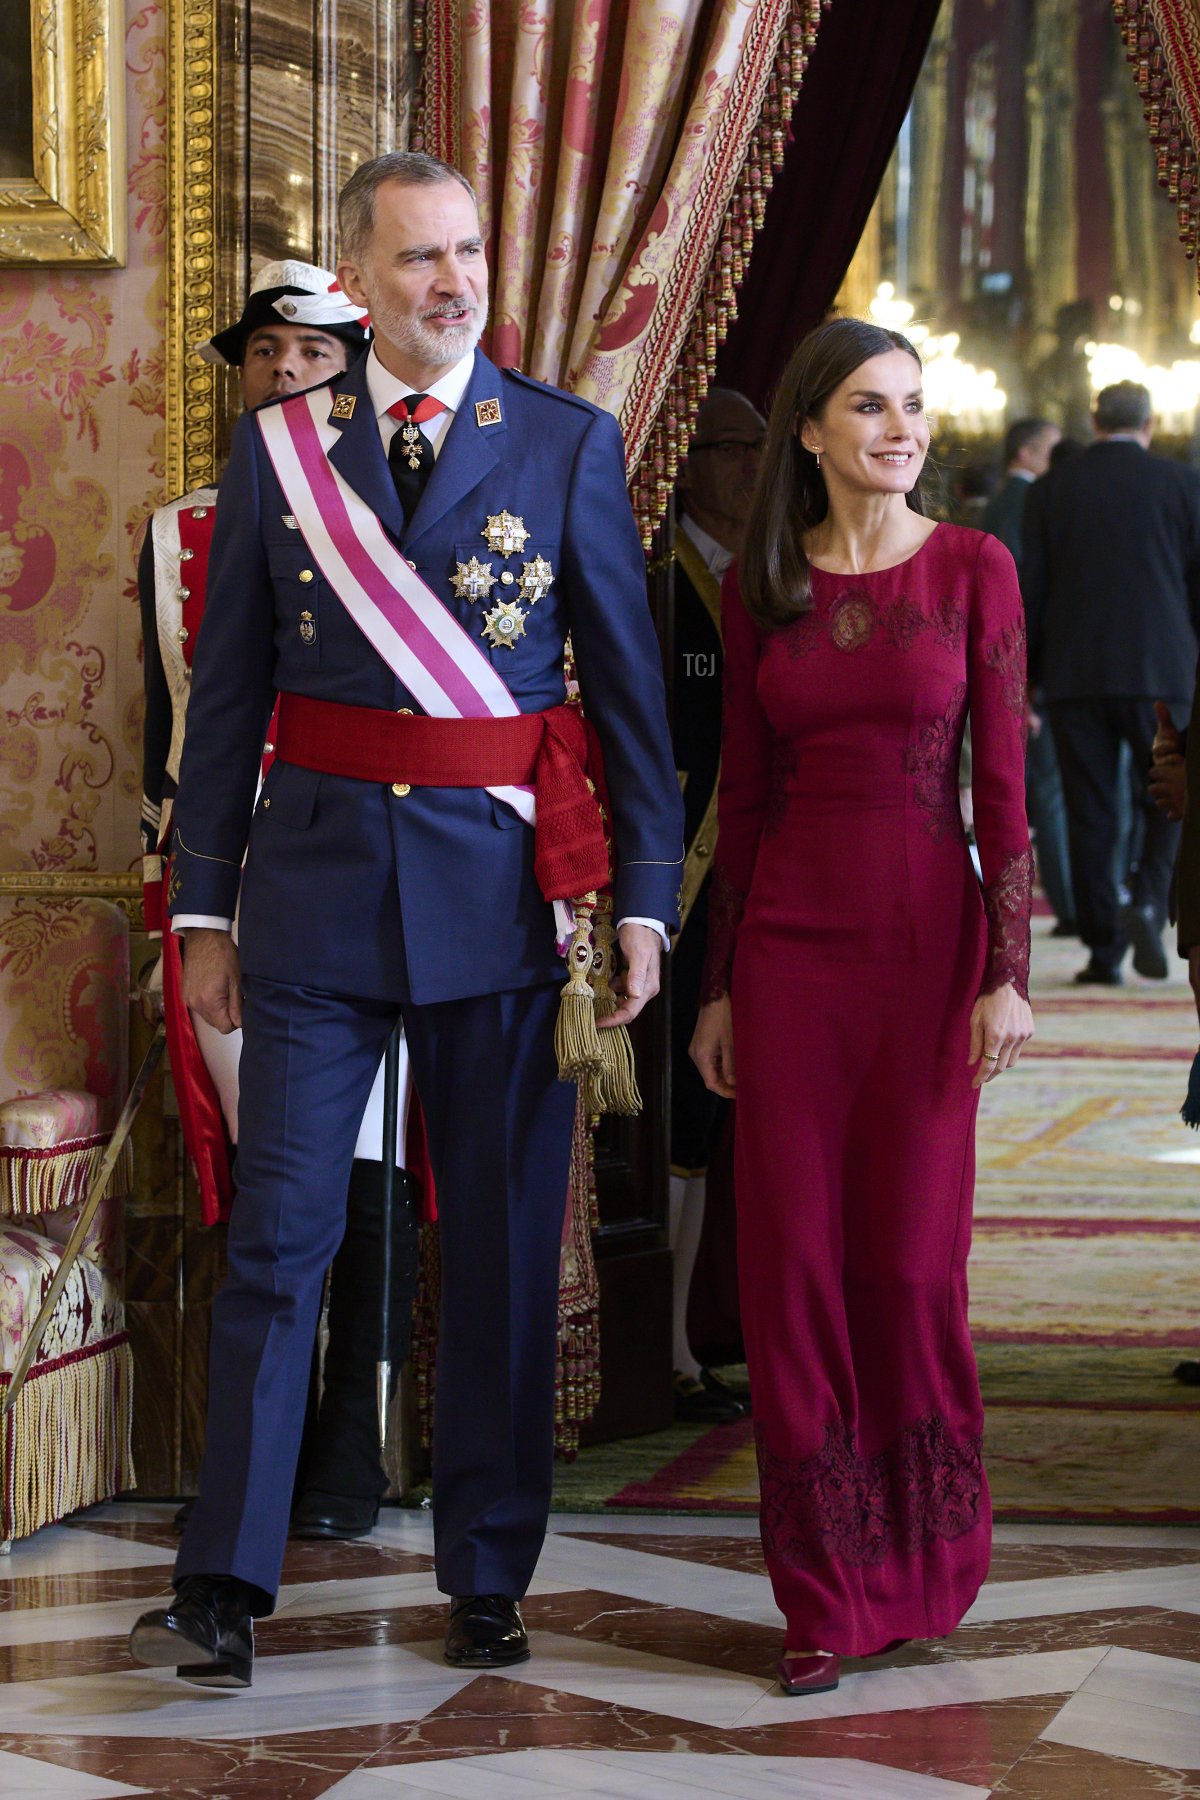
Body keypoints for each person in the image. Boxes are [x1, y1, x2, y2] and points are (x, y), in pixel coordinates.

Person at [129, 150, 683, 1688]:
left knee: (499, 1249)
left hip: (503, 908)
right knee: (281, 1240)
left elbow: (630, 706)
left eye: (468, 255)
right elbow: (228, 704)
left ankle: (489, 1567)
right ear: (355, 280)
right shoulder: (279, 455)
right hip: (305, 899)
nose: (452, 283)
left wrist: (640, 901)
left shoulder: (566, 443)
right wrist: (206, 918)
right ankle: (226, 1577)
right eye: (420, 258)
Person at [690, 317, 1034, 1697]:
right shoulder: (763, 585)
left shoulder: (975, 570)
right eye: (870, 407)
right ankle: (821, 1595)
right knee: (793, 1277)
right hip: (785, 964)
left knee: (904, 1265)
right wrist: (716, 992)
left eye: (913, 407)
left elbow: (1003, 795)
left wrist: (1008, 971)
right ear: (813, 433)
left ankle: (926, 1561)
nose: (900, 429)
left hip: (926, 956)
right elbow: (746, 801)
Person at [139, 261, 420, 1543]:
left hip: (365, 870)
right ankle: (252, 1462)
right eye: (267, 355)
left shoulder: (399, 513)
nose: (290, 374)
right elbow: (174, 732)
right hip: (236, 884)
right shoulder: (181, 529)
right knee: (271, 1181)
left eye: (315, 355)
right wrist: (190, 897)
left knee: (370, 1165)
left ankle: (347, 1455)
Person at [1023, 380, 1200, 984]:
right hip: (1165, 672)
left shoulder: (1051, 489)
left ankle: (1103, 952)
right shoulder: (1182, 484)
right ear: (1149, 424)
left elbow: (1033, 592)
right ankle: (1147, 901)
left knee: (1089, 811)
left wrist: (1030, 680)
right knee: (1171, 801)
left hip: (1076, 675)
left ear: (1093, 421)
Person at [669, 387, 764, 1423]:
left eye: (763, 449)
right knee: (678, 1121)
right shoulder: (662, 586)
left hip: (760, 893)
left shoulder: (772, 581)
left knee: (724, 1116)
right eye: (733, 449)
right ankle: (674, 1352)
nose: (752, 468)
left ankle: (701, 1339)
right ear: (688, 462)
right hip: (676, 899)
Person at [982, 418, 1074, 939]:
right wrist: (1023, 685)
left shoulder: (1007, 500)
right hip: (1018, 673)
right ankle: (1068, 903)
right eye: (1049, 451)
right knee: (1042, 792)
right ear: (1028, 451)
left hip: (1020, 673)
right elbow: (1015, 602)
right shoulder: (1021, 502)